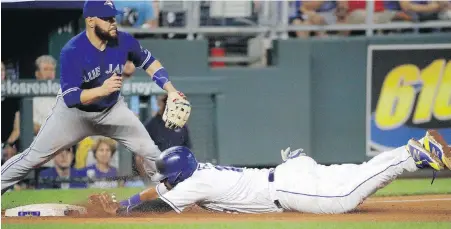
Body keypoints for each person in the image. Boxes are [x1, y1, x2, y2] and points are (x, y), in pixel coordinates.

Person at [1, 0, 192, 195]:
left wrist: (171, 89)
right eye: (107, 18)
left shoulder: (123, 40)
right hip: (74, 115)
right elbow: (71, 98)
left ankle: (170, 196)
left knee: (150, 152)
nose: (113, 22)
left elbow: (149, 62)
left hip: (112, 111)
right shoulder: (73, 50)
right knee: (33, 157)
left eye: (114, 17)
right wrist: (102, 90)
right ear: (91, 21)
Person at [90, 130, 450, 215]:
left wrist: (124, 207)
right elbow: (162, 192)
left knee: (344, 199)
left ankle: (413, 155)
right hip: (289, 171)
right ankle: (408, 151)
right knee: (355, 171)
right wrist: (134, 196)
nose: (166, 183)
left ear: (179, 177)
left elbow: (161, 206)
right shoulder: (196, 173)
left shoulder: (195, 182)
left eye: (169, 179)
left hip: (288, 188)